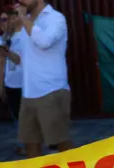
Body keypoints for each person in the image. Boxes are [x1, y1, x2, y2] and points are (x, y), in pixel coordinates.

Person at [15, 0, 72, 158]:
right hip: (28, 93)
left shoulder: (56, 18)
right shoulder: (26, 22)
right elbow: (26, 57)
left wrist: (23, 18)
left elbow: (44, 42)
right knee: (31, 145)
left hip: (51, 90)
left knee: (61, 144)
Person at [0, 6, 27, 154]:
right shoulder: (2, 39)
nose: (4, 22)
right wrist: (0, 84)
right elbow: (0, 62)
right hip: (11, 82)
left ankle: (27, 144)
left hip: (25, 82)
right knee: (17, 114)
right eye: (2, 20)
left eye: (7, 19)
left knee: (26, 114)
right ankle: (23, 142)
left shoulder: (25, 35)